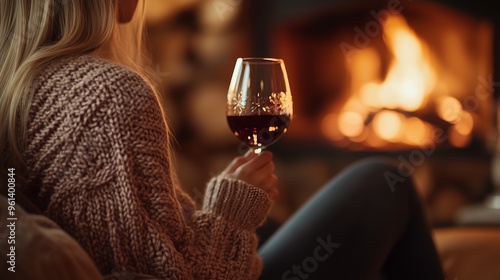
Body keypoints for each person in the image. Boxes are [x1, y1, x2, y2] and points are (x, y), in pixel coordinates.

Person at [0, 0, 445, 279]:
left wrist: (220, 210)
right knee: (383, 183)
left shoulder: (19, 88)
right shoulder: (106, 94)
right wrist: (230, 212)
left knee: (274, 224)